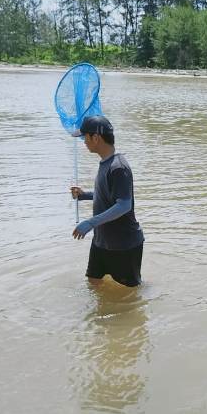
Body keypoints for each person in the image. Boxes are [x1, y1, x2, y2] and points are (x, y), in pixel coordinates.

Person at [70, 115, 144, 288]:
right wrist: (84, 195)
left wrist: (90, 223)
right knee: (93, 281)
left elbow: (124, 205)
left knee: (130, 293)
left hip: (124, 244)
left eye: (84, 137)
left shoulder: (119, 167)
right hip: (102, 242)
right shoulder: (105, 163)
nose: (84, 142)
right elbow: (107, 194)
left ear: (95, 138)